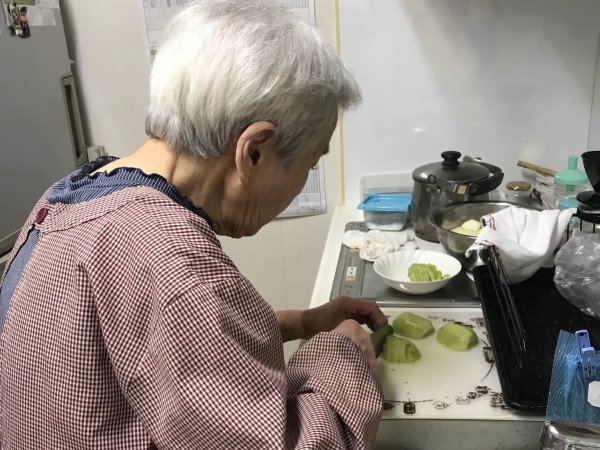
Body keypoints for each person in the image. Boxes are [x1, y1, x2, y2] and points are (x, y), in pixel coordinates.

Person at [0, 1, 388, 448]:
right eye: (313, 161)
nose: (304, 180)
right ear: (254, 152)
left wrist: (301, 323)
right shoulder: (174, 262)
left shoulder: (66, 200)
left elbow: (149, 350)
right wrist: (341, 354)